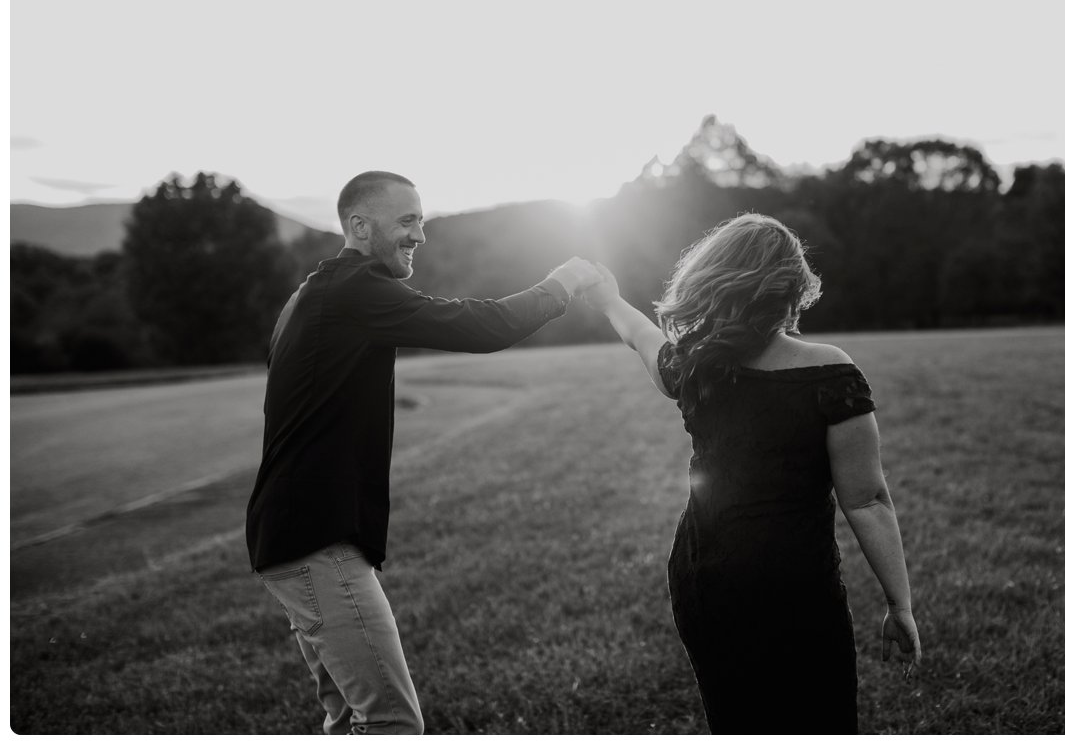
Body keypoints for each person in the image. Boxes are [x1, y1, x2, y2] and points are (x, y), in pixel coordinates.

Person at [245, 170, 601, 734]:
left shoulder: (315, 293)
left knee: (350, 719)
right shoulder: (353, 289)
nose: (420, 234)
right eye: (407, 221)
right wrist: (562, 283)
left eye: (421, 220)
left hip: (293, 535)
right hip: (314, 537)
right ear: (361, 226)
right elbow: (482, 326)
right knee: (391, 724)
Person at [583, 213, 921, 733]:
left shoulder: (694, 366)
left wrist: (609, 299)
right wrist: (900, 604)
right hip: (795, 588)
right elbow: (867, 500)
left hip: (702, 578)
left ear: (711, 283)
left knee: (736, 719)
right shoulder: (830, 371)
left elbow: (638, 336)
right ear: (792, 288)